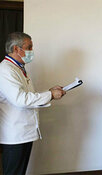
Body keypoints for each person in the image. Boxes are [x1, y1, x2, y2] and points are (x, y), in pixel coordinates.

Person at [0, 32, 66, 175]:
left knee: (20, 171)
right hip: (15, 135)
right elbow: (21, 99)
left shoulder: (19, 68)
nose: (31, 51)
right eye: (29, 47)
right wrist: (50, 95)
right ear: (16, 49)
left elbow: (28, 96)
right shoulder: (5, 69)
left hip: (24, 132)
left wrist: (50, 92)